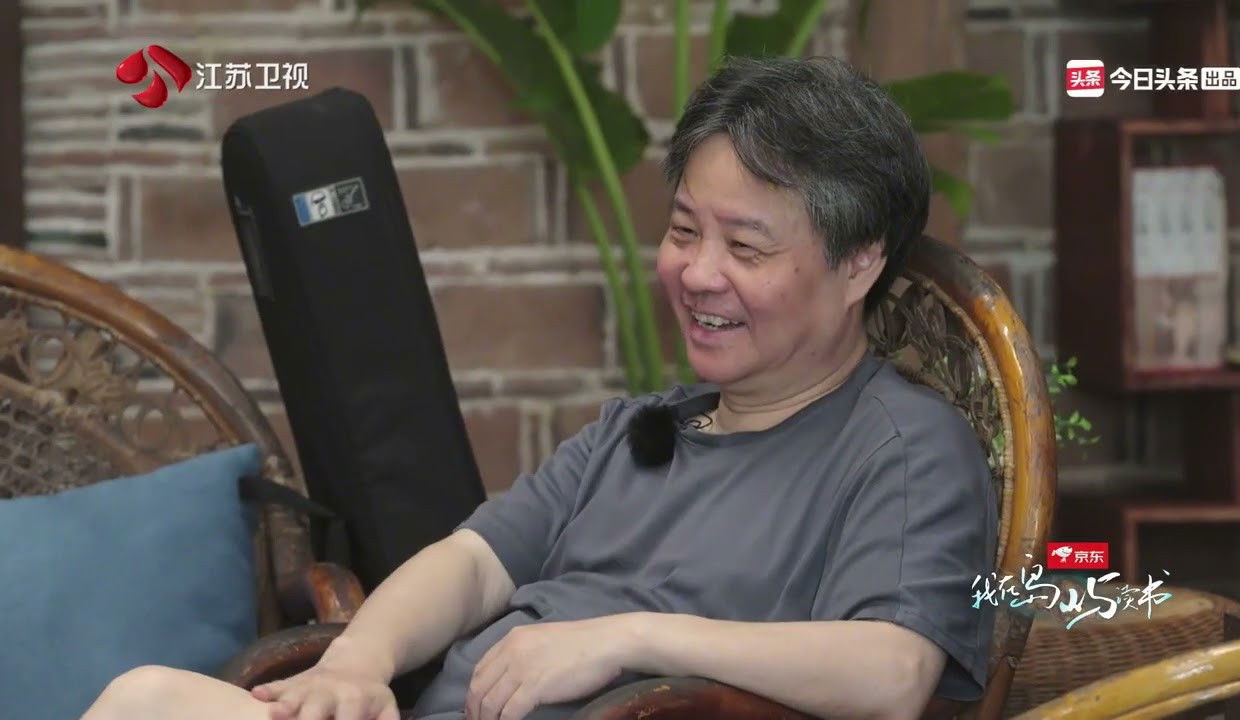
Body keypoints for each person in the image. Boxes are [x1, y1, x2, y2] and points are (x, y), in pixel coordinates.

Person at [83, 56, 996, 720]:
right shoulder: (638, 430)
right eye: (684, 231)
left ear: (858, 263)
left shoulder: (902, 445)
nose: (697, 274)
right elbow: (472, 562)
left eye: (746, 248)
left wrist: (633, 634)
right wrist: (360, 658)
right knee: (147, 700)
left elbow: (893, 673)